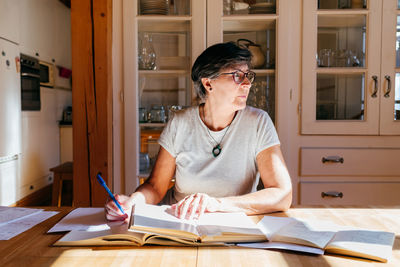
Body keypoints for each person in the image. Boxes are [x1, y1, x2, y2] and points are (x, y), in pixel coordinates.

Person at [105, 42, 292, 222]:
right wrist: (133, 202)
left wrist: (216, 204)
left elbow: (281, 194)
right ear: (208, 84)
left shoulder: (258, 122)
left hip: (231, 225)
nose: (247, 84)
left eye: (247, 75)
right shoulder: (180, 123)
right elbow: (155, 187)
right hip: (177, 222)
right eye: (237, 75)